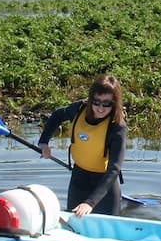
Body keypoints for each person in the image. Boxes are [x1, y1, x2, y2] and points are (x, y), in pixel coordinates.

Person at [38, 74, 126, 217]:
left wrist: (90, 203)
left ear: (114, 103)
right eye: (96, 102)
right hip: (79, 179)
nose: (100, 108)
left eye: (107, 103)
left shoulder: (117, 127)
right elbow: (57, 116)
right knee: (74, 230)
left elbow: (114, 169)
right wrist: (44, 143)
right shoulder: (79, 109)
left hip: (105, 186)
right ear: (91, 99)